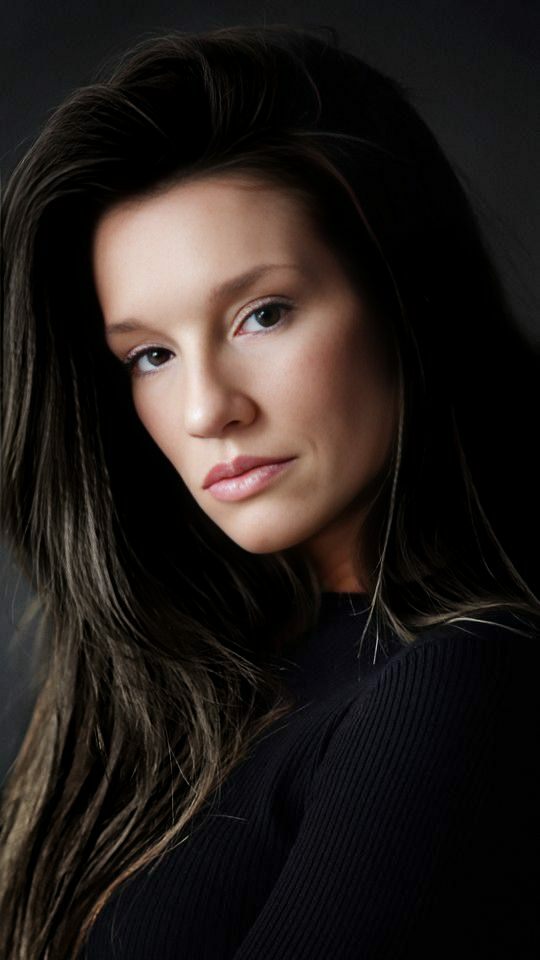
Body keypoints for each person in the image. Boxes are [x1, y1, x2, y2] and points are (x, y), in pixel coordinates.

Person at [0, 22, 538, 960]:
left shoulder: (457, 684)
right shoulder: (176, 687)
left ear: (404, 294)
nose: (207, 409)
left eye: (263, 313)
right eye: (151, 355)